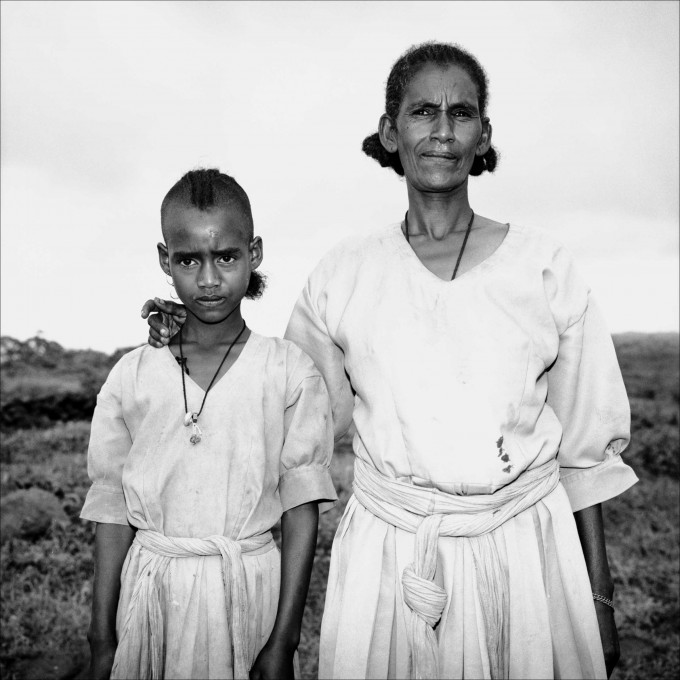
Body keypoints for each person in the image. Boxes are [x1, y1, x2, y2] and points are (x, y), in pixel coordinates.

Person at [145, 43, 638, 680]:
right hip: (389, 560)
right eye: (422, 112)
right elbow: (291, 414)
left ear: (483, 135)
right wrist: (184, 344)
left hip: (527, 553)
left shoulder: (543, 267)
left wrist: (596, 597)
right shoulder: (344, 276)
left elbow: (584, 452)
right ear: (390, 130)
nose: (441, 131)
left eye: (461, 114)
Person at [81, 168, 337, 680]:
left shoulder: (287, 370)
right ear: (165, 261)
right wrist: (103, 638)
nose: (209, 279)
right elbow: (111, 510)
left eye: (226, 256)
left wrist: (282, 643)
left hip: (249, 592)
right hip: (151, 594)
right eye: (188, 260)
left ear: (254, 253)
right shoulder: (133, 375)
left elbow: (300, 512)